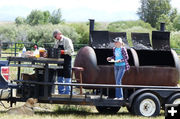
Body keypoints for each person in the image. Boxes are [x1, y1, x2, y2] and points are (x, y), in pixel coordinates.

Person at [53, 29, 74, 94]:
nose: (55, 38)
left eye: (56, 36)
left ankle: (67, 92)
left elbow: (71, 51)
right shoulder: (57, 42)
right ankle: (60, 92)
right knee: (59, 76)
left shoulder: (67, 40)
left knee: (67, 76)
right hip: (59, 61)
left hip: (67, 60)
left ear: (60, 34)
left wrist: (62, 51)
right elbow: (54, 50)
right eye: (55, 37)